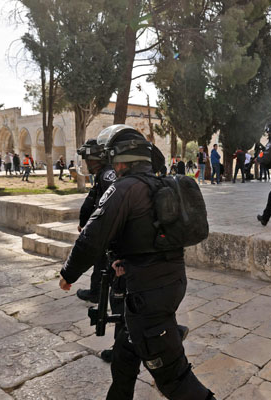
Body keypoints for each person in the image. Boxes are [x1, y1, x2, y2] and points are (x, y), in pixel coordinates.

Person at [59, 125, 214, 400]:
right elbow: (149, 236)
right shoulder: (157, 184)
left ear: (118, 160)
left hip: (148, 294)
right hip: (168, 282)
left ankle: (165, 339)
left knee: (174, 379)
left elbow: (91, 239)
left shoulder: (124, 189)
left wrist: (68, 274)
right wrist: (124, 259)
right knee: (124, 354)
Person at [75, 139, 117, 305]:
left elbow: (109, 201)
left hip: (107, 227)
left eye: (89, 160)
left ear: (97, 159)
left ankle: (97, 293)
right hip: (103, 226)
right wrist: (84, 221)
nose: (87, 164)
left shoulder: (107, 174)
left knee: (102, 259)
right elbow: (92, 200)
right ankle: (98, 292)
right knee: (100, 260)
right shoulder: (102, 175)